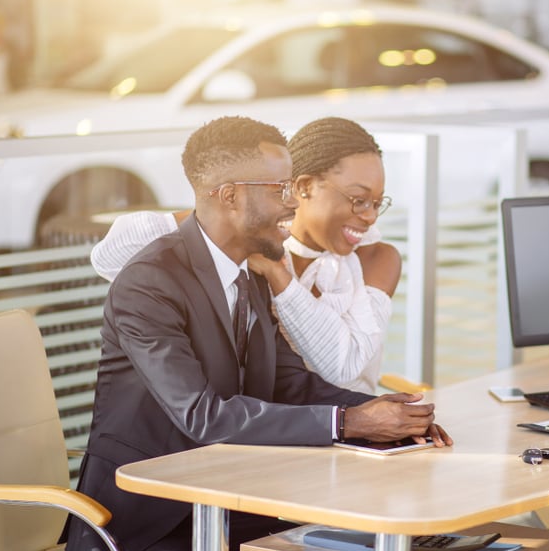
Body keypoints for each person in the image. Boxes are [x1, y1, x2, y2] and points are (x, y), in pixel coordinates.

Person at [62, 116, 451, 551]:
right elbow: (204, 415)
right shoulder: (147, 285)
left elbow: (292, 383)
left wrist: (388, 414)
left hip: (230, 503)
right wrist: (349, 422)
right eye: (281, 189)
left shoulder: (249, 274)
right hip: (145, 526)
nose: (293, 202)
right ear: (230, 197)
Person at [90, 116, 400, 393]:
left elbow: (342, 367)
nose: (371, 216)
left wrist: (279, 277)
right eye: (359, 200)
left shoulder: (377, 259)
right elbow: (110, 256)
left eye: (377, 203)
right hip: (267, 430)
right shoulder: (255, 243)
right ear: (303, 187)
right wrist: (227, 210)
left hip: (354, 431)